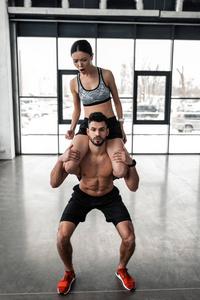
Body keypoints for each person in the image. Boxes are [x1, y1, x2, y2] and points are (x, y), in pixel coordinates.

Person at [50, 112, 139, 295]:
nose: (97, 133)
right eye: (93, 129)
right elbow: (54, 182)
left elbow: (133, 187)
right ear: (87, 132)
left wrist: (131, 163)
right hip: (83, 195)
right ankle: (69, 272)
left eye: (101, 129)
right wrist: (61, 158)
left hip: (109, 196)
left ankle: (122, 269)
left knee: (129, 238)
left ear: (107, 131)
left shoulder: (115, 153)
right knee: (61, 237)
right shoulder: (79, 154)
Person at [64, 39, 127, 179]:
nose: (79, 64)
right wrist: (72, 128)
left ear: (92, 56)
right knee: (69, 166)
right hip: (88, 125)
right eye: (75, 61)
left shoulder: (106, 75)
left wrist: (121, 125)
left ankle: (105, 182)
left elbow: (117, 101)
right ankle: (87, 179)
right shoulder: (74, 83)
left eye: (84, 60)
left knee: (121, 171)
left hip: (110, 123)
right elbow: (77, 109)